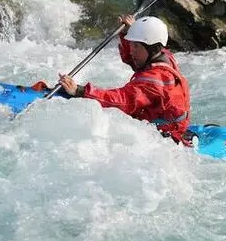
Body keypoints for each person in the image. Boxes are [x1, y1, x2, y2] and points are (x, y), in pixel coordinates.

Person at [56, 15, 192, 145]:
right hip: (168, 125)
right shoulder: (165, 57)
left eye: (136, 46)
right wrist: (131, 30)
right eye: (131, 45)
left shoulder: (153, 81)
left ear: (151, 48)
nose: (132, 50)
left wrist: (79, 91)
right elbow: (135, 60)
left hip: (166, 137)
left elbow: (121, 101)